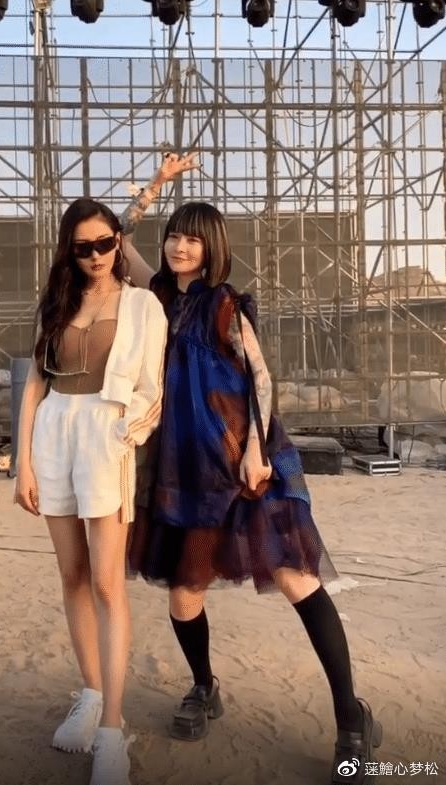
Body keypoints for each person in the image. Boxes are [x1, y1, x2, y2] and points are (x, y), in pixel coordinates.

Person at [118, 156, 382, 785]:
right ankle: (204, 686)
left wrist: (257, 448)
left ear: (212, 249)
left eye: (193, 239)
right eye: (174, 236)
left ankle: (352, 717)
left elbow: (261, 378)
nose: (180, 247)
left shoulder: (225, 305)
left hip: (241, 461)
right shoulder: (157, 297)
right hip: (184, 469)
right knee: (184, 596)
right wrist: (155, 188)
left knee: (296, 578)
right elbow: (118, 240)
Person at [14, 197, 167, 785]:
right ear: (69, 250)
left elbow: (152, 384)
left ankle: (112, 729)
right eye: (84, 247)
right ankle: (91, 695)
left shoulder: (142, 304)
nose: (97, 255)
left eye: (106, 242)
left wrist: (130, 432)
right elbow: (35, 384)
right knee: (72, 575)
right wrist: (23, 464)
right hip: (54, 433)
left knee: (106, 582)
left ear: (117, 242)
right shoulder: (57, 302)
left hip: (107, 436)